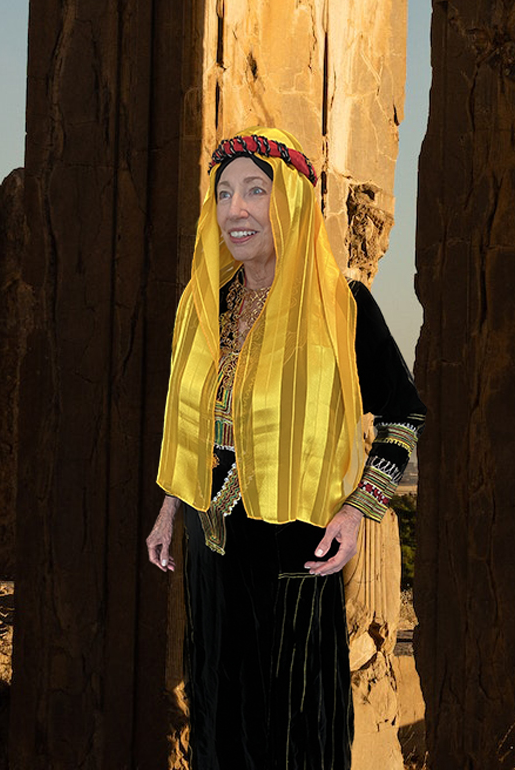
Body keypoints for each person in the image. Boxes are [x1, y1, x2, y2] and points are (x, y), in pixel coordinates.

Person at [146, 127, 424, 770]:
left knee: (295, 718)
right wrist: (169, 506)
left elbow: (405, 419)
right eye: (223, 194)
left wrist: (361, 510)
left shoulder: (343, 307)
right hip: (212, 542)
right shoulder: (206, 307)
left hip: (299, 546)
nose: (236, 210)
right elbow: (194, 422)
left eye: (254, 191)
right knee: (217, 706)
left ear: (291, 203)